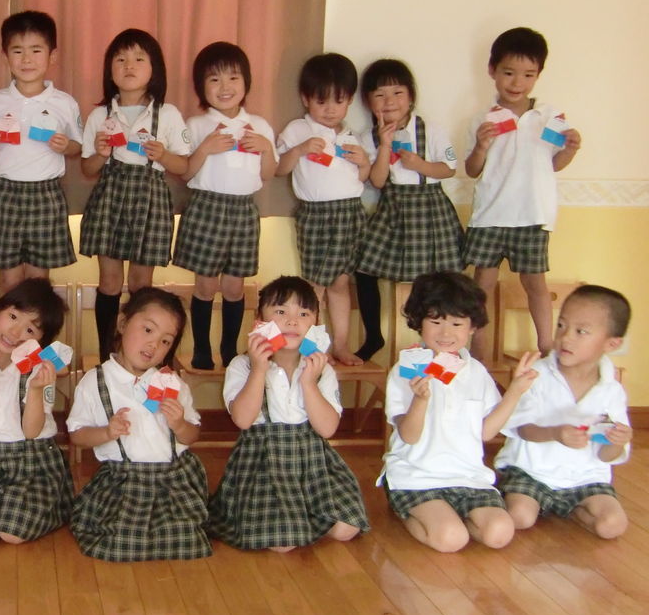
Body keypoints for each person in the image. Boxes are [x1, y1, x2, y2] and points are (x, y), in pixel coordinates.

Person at [207, 276, 368, 551]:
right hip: (264, 465)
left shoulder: (321, 369)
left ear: (316, 322)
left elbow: (327, 429)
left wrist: (308, 382)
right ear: (260, 320)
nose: (292, 322)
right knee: (283, 542)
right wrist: (259, 369)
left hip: (313, 466)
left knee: (346, 528)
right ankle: (294, 521)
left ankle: (303, 517)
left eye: (303, 314)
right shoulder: (242, 365)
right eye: (281, 311)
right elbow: (243, 420)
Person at [380, 272, 537, 553]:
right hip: (416, 478)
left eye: (456, 323)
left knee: (500, 532)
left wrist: (515, 390)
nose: (445, 333)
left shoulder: (476, 372)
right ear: (418, 322)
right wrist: (420, 399)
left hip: (469, 477)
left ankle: (450, 517)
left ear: (472, 327)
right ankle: (407, 509)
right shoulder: (407, 369)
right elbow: (409, 436)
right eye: (435, 321)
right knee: (451, 539)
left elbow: (486, 432)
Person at [67, 288, 211, 561]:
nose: (153, 345)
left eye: (165, 341)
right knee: (118, 544)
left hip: (172, 482)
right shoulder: (95, 382)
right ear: (123, 324)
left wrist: (179, 424)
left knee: (187, 542)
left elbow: (192, 435)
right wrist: (106, 432)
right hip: (122, 482)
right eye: (147, 330)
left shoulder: (173, 384)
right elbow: (77, 435)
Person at [465, 27, 580, 358]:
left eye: (528, 74)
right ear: (492, 70)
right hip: (490, 215)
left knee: (535, 284)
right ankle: (479, 356)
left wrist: (571, 149)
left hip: (533, 213)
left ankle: (547, 349)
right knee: (481, 287)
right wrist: (481, 145)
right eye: (509, 72)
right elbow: (472, 169)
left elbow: (555, 164)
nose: (517, 82)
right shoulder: (482, 119)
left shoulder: (549, 117)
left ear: (538, 75)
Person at [79, 29, 191, 354]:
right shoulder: (100, 114)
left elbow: (183, 166)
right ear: (109, 69)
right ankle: (107, 353)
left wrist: (163, 155)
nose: (129, 65)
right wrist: (101, 153)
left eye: (139, 59)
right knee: (110, 281)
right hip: (110, 196)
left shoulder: (167, 114)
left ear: (154, 68)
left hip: (150, 197)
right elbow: (87, 169)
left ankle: (138, 353)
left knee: (142, 283)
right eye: (121, 59)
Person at [495, 285, 632, 539]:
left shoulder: (611, 389)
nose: (566, 337)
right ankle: (543, 504)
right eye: (561, 325)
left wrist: (617, 441)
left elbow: (607, 455)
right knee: (519, 517)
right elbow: (522, 429)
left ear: (612, 343)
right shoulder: (537, 374)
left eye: (581, 331)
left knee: (612, 525)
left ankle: (572, 509)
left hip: (586, 479)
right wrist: (555, 433)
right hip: (531, 472)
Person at [171, 41, 277, 369]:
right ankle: (202, 349)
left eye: (233, 77)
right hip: (206, 207)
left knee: (234, 286)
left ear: (246, 82)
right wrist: (204, 148)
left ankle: (230, 349)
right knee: (204, 284)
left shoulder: (259, 125)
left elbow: (268, 174)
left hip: (244, 210)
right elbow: (185, 172)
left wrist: (266, 148)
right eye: (214, 79)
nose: (225, 86)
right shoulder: (196, 124)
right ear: (201, 87)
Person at [353, 58, 463, 361]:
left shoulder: (431, 129)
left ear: (411, 97)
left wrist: (420, 165)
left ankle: (440, 343)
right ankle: (374, 336)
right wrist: (385, 145)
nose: (389, 101)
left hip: (430, 208)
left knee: (439, 282)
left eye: (397, 93)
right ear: (368, 102)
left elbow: (449, 168)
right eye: (380, 95)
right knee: (363, 269)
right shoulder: (367, 137)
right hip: (393, 208)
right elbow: (377, 181)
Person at [0, 278, 72, 543]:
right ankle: (4, 507)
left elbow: (31, 432)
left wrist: (36, 389)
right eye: (13, 316)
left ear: (40, 341)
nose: (16, 332)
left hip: (34, 460)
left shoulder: (40, 366)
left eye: (30, 329)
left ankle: (43, 505)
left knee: (12, 533)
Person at [275, 53, 370, 365]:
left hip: (351, 212)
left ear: (350, 100)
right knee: (314, 283)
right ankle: (311, 347)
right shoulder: (298, 129)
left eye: (339, 101)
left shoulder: (352, 136)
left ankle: (340, 345)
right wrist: (300, 149)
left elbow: (362, 179)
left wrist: (364, 163)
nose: (330, 109)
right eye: (321, 101)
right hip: (316, 214)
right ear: (306, 99)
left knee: (341, 282)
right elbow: (279, 168)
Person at [0, 11, 83, 295]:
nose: (26, 59)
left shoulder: (65, 103)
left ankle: (38, 326)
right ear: (5, 57)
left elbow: (78, 147)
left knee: (39, 280)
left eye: (36, 50)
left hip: (46, 193)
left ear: (52, 56)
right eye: (17, 51)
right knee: (8, 279)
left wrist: (66, 146)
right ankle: (6, 326)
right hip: (5, 193)